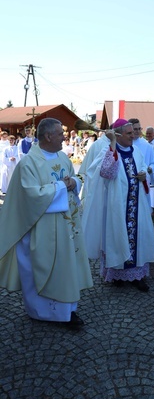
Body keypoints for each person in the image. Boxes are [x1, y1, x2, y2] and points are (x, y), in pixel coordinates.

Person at [0, 118, 93, 326]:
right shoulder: (28, 163)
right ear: (49, 136)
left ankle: (67, 310)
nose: (64, 137)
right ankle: (42, 312)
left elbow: (73, 179)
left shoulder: (62, 156)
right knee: (43, 266)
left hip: (65, 225)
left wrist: (74, 181)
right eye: (60, 134)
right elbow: (32, 196)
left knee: (66, 266)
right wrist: (62, 185)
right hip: (41, 227)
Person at [82, 119, 154, 292]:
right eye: (129, 133)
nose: (134, 136)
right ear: (118, 134)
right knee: (117, 236)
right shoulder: (107, 150)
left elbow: (143, 167)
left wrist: (142, 175)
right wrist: (113, 144)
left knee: (138, 237)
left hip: (136, 204)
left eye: (133, 132)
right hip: (116, 205)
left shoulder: (136, 151)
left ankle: (137, 275)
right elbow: (107, 172)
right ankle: (117, 273)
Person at [128, 118, 154, 185]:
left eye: (139, 129)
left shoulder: (146, 145)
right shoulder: (125, 144)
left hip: (143, 182)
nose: (138, 131)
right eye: (135, 129)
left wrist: (151, 168)